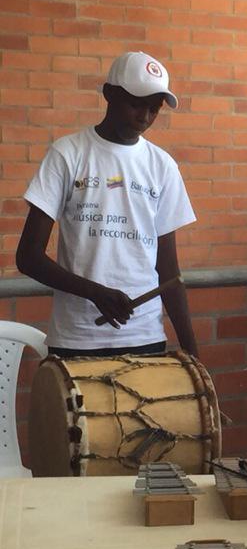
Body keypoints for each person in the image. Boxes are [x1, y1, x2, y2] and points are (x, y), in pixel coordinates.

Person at [16, 51, 197, 358]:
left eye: (154, 109)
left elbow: (169, 271)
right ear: (110, 93)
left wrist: (192, 352)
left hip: (144, 338)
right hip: (77, 339)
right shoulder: (67, 154)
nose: (144, 117)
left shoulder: (162, 166)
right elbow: (28, 257)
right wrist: (95, 293)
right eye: (136, 104)